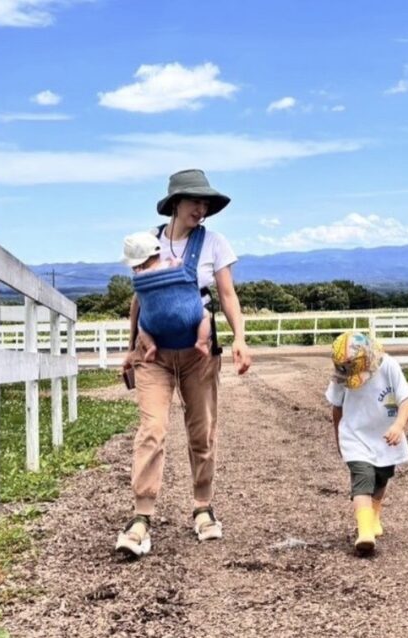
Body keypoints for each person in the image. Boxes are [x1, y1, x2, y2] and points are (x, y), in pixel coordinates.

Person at [116, 169, 252, 558]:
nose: (202, 208)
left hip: (198, 355)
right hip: (153, 356)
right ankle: (141, 517)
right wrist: (130, 347)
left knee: (202, 431)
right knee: (152, 430)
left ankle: (203, 507)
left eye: (205, 202)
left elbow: (227, 295)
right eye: (195, 200)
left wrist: (240, 339)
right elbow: (140, 300)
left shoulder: (214, 243)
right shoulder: (148, 244)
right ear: (175, 203)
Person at [324, 331, 408, 555]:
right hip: (354, 436)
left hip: (385, 435)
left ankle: (373, 515)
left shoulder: (389, 366)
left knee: (382, 476)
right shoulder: (342, 377)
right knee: (363, 477)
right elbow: (337, 408)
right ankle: (364, 532)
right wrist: (340, 439)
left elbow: (406, 398)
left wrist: (399, 425)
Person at [121, 231, 213, 358]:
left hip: (153, 323)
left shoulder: (140, 275)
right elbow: (179, 262)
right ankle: (201, 342)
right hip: (184, 315)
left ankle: (151, 347)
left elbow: (138, 298)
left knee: (141, 326)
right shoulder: (168, 264)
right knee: (205, 315)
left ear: (138, 263)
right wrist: (175, 262)